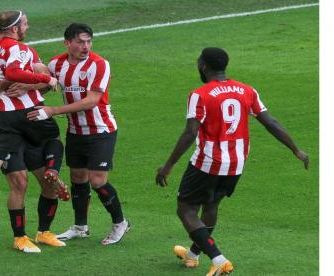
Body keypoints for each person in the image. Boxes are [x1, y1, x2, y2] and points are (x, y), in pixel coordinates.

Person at [155, 47, 309, 275]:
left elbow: (190, 132)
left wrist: (168, 166)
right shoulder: (247, 90)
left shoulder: (200, 94)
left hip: (208, 162)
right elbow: (271, 122)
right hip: (236, 162)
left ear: (203, 66)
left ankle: (218, 259)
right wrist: (296, 149)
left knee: (186, 210)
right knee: (211, 205)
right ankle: (192, 255)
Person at [0, 11, 69, 253]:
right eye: (24, 24)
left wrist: (31, 82)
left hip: (2, 120)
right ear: (7, 30)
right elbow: (45, 77)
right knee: (50, 143)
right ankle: (24, 235)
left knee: (1, 165)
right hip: (28, 116)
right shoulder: (17, 50)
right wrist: (37, 81)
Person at [27, 23, 130, 245]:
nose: (86, 46)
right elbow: (46, 84)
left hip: (101, 130)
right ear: (67, 43)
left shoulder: (99, 64)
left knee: (97, 180)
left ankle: (120, 223)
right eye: (80, 42)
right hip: (75, 131)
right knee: (78, 179)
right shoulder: (56, 63)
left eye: (89, 41)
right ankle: (80, 227)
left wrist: (52, 111)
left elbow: (91, 101)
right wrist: (26, 85)